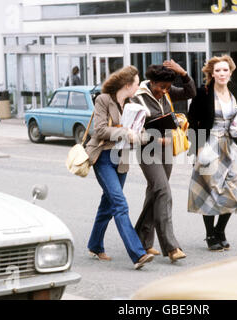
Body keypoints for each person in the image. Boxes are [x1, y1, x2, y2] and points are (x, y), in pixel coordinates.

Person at [85, 65, 154, 270]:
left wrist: (144, 137)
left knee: (108, 205)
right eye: (137, 83)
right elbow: (99, 130)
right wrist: (125, 132)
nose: (138, 86)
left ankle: (95, 245)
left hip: (121, 159)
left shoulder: (132, 104)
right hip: (103, 157)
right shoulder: (103, 100)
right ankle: (138, 254)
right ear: (127, 85)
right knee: (120, 204)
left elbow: (139, 134)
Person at [131, 60, 196, 263]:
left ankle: (140, 240)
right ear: (151, 82)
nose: (163, 91)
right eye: (160, 86)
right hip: (147, 150)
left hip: (166, 148)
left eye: (167, 87)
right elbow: (133, 129)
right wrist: (153, 136)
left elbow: (190, 92)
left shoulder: (167, 91)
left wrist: (183, 73)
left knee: (155, 193)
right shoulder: (136, 97)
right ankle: (171, 247)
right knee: (164, 192)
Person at [187, 55, 237, 251]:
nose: (222, 73)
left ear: (230, 72)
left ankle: (220, 229)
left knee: (234, 188)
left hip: (230, 146)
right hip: (209, 144)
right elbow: (191, 120)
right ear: (212, 74)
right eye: (218, 70)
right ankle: (210, 235)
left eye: (225, 70)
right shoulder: (202, 93)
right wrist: (197, 149)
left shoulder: (236, 93)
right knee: (210, 190)